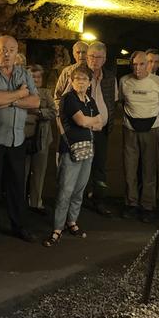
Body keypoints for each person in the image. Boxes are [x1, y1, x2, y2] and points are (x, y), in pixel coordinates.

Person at [0, 35, 40, 244]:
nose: (7, 53)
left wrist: (10, 100)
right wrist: (20, 93)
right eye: (3, 49)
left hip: (17, 138)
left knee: (16, 186)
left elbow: (35, 101)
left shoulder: (24, 73)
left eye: (11, 50)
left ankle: (19, 225)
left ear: (17, 51)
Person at [54, 41, 118, 217]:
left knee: (99, 166)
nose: (94, 61)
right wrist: (63, 126)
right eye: (91, 56)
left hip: (101, 130)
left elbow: (113, 101)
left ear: (104, 59)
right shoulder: (78, 75)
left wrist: (105, 120)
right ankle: (71, 205)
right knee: (75, 166)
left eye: (98, 57)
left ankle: (98, 200)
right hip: (79, 130)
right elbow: (62, 99)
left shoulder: (110, 77)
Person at [43, 64, 102, 247]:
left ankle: (72, 222)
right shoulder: (68, 99)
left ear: (89, 82)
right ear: (71, 80)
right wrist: (89, 122)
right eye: (78, 79)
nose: (81, 82)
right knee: (65, 190)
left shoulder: (89, 100)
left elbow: (100, 123)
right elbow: (81, 120)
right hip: (70, 150)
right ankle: (57, 228)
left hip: (87, 150)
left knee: (79, 189)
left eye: (85, 79)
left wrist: (89, 122)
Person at [119, 51, 159, 222]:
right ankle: (131, 204)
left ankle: (148, 206)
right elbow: (122, 103)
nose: (137, 68)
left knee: (149, 169)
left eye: (141, 64)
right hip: (130, 130)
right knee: (130, 168)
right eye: (134, 64)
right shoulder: (124, 81)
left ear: (148, 64)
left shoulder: (158, 82)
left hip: (152, 130)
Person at [24, 64, 56, 215]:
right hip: (23, 137)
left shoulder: (46, 93)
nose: (36, 79)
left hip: (42, 138)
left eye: (38, 77)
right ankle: (19, 201)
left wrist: (38, 112)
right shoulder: (21, 92)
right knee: (22, 172)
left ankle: (36, 203)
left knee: (39, 172)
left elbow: (54, 112)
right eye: (32, 76)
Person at [53, 41, 88, 108]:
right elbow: (57, 96)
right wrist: (60, 112)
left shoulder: (93, 71)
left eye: (84, 52)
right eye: (78, 52)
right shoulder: (66, 71)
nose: (81, 55)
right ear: (74, 54)